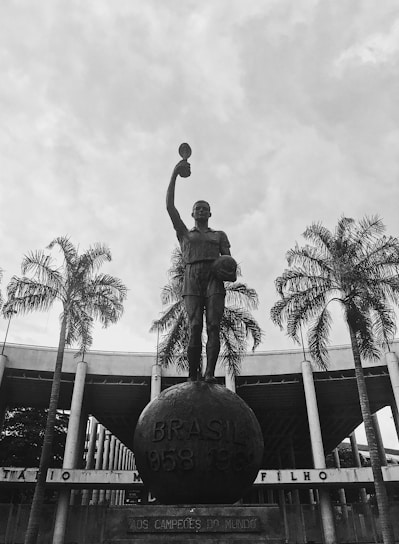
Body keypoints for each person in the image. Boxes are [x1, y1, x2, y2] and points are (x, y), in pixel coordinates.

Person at [166, 159, 235, 382]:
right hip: (192, 278)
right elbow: (170, 207)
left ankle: (210, 373)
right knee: (195, 326)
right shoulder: (185, 234)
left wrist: (225, 267)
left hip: (214, 279)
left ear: (210, 214)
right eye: (198, 208)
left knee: (213, 326)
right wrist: (175, 175)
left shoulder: (219, 235)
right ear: (193, 213)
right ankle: (192, 374)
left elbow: (229, 260)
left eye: (205, 208)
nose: (202, 210)